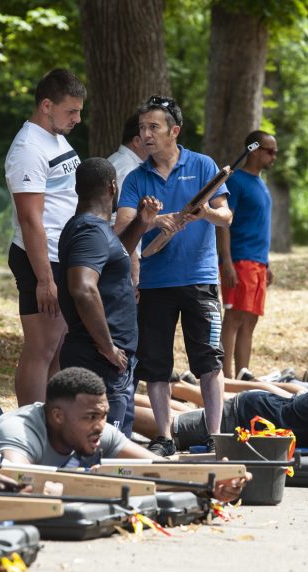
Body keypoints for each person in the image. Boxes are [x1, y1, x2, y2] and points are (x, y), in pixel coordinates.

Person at [114, 96, 233, 456]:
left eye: (154, 127)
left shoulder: (203, 165)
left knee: (210, 362)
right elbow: (122, 227)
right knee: (156, 365)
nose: (145, 134)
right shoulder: (136, 177)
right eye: (142, 128)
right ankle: (165, 437)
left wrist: (205, 214)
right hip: (154, 284)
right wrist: (149, 222)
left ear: (174, 131)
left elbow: (226, 215)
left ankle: (215, 436)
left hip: (200, 280)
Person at [0, 367, 248, 502]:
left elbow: (159, 468)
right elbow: (17, 480)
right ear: (57, 415)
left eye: (104, 415)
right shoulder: (20, 431)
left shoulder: (95, 429)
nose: (100, 425)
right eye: (91, 417)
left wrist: (210, 483)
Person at [57, 158, 161, 435]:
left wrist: (141, 223)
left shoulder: (94, 229)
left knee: (111, 446)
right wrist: (108, 348)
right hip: (100, 362)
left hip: (107, 362)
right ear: (113, 187)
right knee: (104, 452)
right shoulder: (90, 231)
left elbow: (115, 254)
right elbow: (83, 288)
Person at [5, 68, 86, 406]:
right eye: (72, 111)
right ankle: (30, 426)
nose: (78, 119)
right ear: (47, 105)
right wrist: (43, 280)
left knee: (58, 347)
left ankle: (51, 422)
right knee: (41, 348)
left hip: (61, 253)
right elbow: (30, 218)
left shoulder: (54, 136)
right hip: (42, 257)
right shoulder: (27, 148)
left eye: (80, 111)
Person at [134, 362, 308, 450]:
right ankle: (114, 410)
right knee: (173, 428)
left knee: (178, 416)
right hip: (244, 417)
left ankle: (127, 400)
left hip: (259, 407)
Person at [216, 130, 278, 380]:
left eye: (276, 152)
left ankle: (243, 374)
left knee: (250, 321)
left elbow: (260, 226)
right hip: (240, 260)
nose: (274, 156)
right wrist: (227, 260)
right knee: (233, 318)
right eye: (270, 151)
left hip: (258, 262)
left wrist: (267, 263)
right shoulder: (237, 181)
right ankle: (226, 377)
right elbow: (224, 223)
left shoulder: (261, 183)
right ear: (254, 149)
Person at [107, 112, 149, 294]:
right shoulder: (128, 170)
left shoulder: (119, 162)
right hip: (123, 264)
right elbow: (121, 225)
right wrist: (134, 273)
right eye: (147, 135)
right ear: (136, 141)